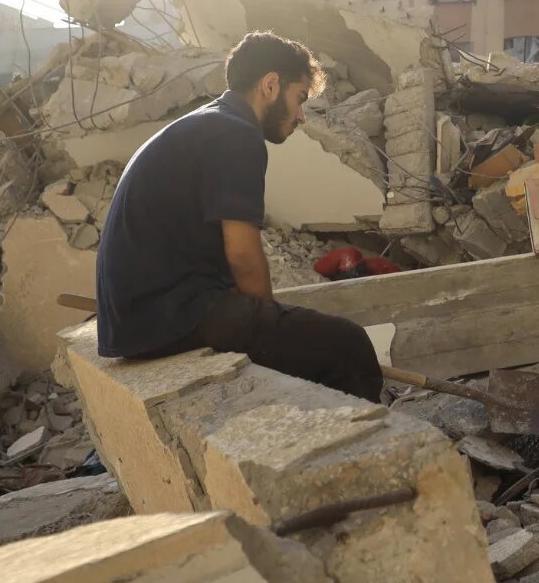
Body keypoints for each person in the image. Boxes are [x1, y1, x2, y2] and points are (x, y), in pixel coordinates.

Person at [93, 31, 384, 401]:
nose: (302, 117)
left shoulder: (208, 124)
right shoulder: (236, 135)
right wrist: (270, 325)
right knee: (348, 344)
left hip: (141, 319)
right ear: (270, 85)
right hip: (166, 320)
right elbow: (244, 256)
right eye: (299, 99)